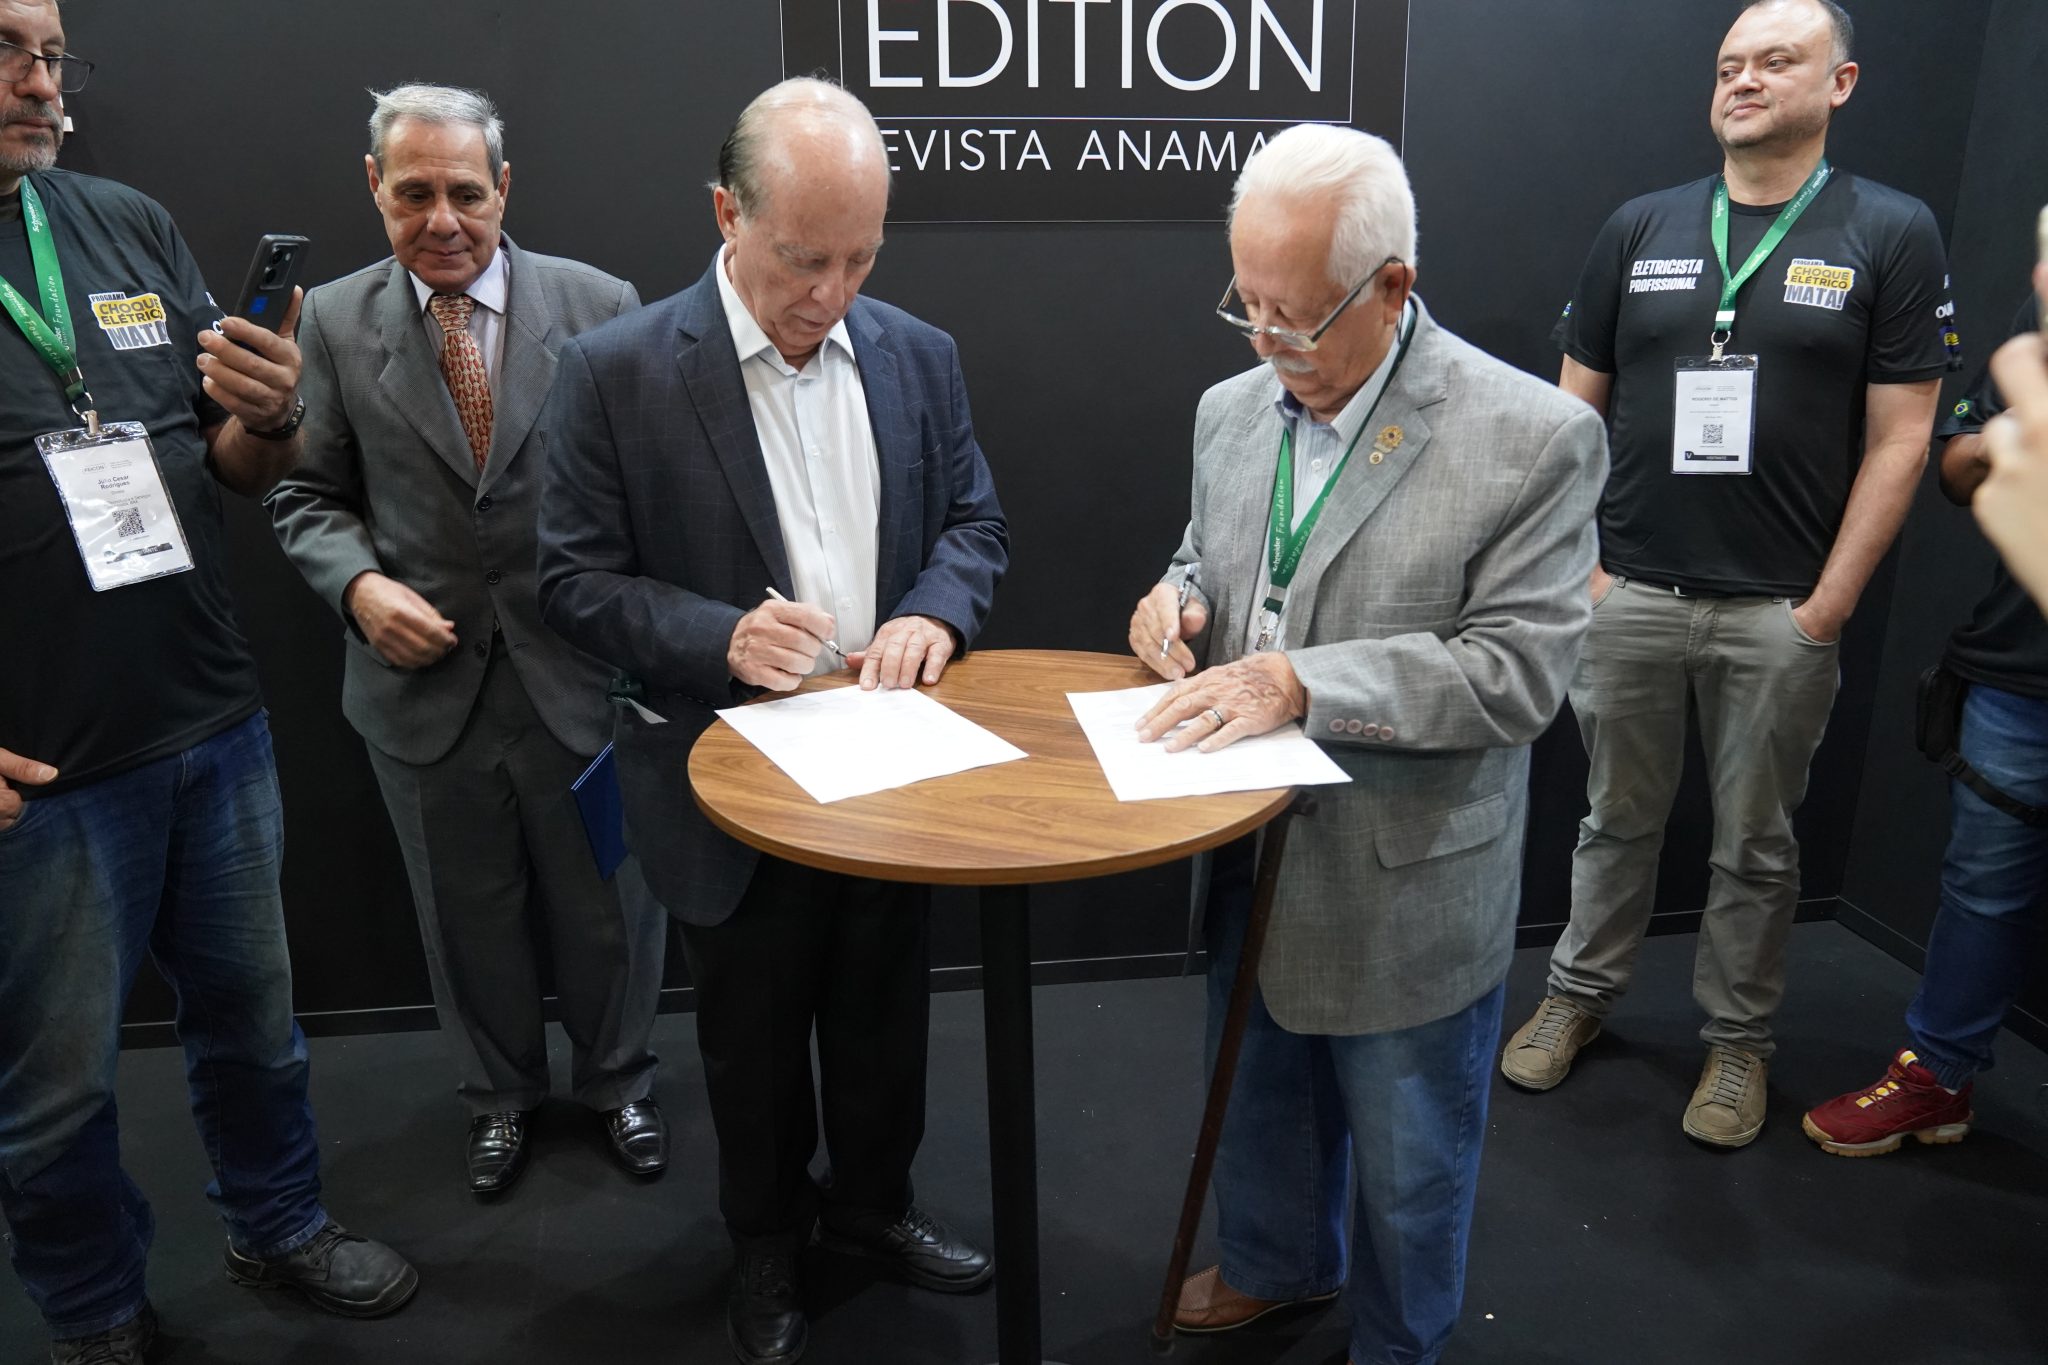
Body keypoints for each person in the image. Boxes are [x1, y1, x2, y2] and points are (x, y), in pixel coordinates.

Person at [535, 77, 1007, 1365]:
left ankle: (873, 1205)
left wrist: (934, 613)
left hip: (891, 760)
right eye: (804, 258)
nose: (830, 293)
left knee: (883, 1015)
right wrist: (718, 637)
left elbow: (974, 523)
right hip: (724, 777)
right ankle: (762, 1238)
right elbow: (569, 581)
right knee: (748, 1038)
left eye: (860, 258)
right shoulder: (616, 371)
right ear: (725, 215)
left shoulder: (918, 354)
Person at [1128, 123, 1605, 1365]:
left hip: (1404, 868)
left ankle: (1400, 1340)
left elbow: (1517, 674)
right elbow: (1206, 556)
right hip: (1244, 837)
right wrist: (1174, 601)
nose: (1263, 342)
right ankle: (1278, 1264)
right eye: (1244, 305)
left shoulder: (1530, 436)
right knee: (1254, 1095)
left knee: (1409, 1159)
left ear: (1392, 286)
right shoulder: (1229, 411)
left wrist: (1302, 682)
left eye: (1293, 318)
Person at [0, 2, 415, 1360]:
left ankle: (278, 1222)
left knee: (254, 1027)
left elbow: (234, 466)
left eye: (53, 53)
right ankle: (95, 1310)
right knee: (56, 1092)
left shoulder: (123, 221)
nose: (41, 81)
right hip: (42, 773)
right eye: (7, 47)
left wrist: (272, 411)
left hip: (209, 718)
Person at [1502, 0, 1957, 1148]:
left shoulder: (1887, 231)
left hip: (1777, 611)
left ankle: (1737, 1046)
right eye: (1727, 64)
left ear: (1838, 82)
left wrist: (1827, 606)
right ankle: (1577, 994)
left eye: (1774, 61)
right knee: (1612, 820)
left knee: (1755, 845)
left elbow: (1903, 436)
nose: (1742, 80)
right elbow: (1567, 418)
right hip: (1628, 595)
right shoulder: (1640, 225)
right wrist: (1585, 570)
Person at [267, 83, 666, 1197]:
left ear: (504, 189)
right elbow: (303, 496)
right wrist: (358, 590)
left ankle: (621, 1081)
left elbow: (647, 494)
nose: (441, 220)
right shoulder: (330, 322)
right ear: (374, 189)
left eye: (464, 193)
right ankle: (498, 1098)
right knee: (463, 920)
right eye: (414, 194)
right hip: (422, 689)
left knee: (610, 913)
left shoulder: (600, 305)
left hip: (581, 678)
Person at [1802, 291, 2048, 1156]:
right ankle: (1937, 1078)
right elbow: (1957, 467)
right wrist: (2013, 439)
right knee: (1982, 891)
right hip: (2022, 668)